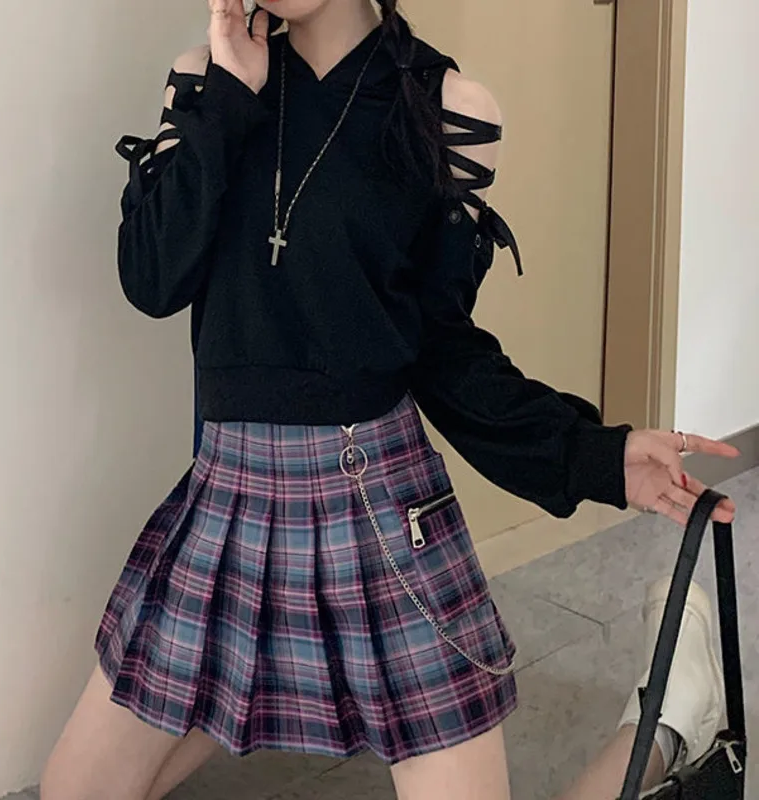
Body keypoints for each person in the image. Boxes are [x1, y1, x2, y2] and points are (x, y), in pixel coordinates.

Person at [41, 1, 740, 798]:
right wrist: (228, 99)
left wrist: (596, 454)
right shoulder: (209, 79)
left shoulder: (446, 110)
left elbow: (440, 348)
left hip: (373, 505)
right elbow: (152, 279)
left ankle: (667, 719)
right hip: (231, 499)